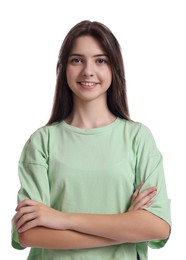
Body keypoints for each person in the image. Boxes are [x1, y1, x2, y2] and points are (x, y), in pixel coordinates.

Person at [12, 20, 171, 260]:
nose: (88, 70)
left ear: (114, 68)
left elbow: (158, 226)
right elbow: (30, 234)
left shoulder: (138, 138)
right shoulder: (42, 142)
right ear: (63, 68)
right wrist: (126, 228)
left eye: (100, 60)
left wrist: (62, 219)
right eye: (77, 60)